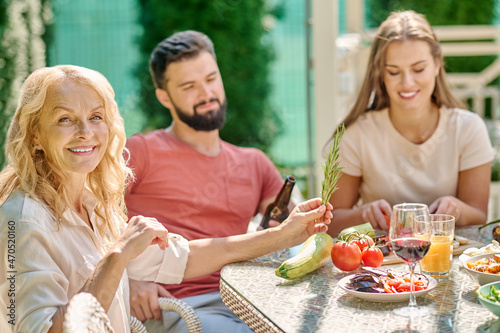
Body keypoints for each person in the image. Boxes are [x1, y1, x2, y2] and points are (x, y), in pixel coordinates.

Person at [0, 65, 332, 333]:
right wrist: (118, 256)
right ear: (35, 137)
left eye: (96, 117)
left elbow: (184, 257)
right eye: (64, 119)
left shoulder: (93, 205)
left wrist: (284, 233)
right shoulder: (22, 220)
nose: (85, 131)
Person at [124, 30, 290, 332]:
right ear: (164, 97)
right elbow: (88, 219)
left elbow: (294, 233)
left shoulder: (254, 162)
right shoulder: (140, 151)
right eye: (189, 86)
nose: (206, 94)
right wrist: (126, 275)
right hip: (176, 306)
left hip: (252, 300)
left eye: (211, 79)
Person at [325, 10, 494, 237]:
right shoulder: (356, 135)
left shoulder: (468, 129)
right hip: (380, 266)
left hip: (448, 260)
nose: (407, 83)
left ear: (437, 64)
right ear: (380, 74)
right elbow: (330, 222)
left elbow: (478, 215)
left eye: (418, 69)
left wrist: (457, 209)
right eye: (394, 72)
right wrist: (364, 214)